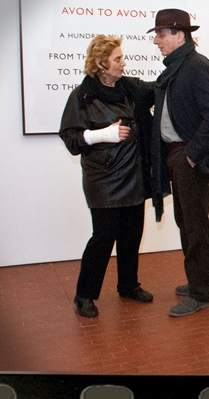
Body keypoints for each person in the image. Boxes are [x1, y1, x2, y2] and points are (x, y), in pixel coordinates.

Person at [59, 34, 156, 318]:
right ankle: (84, 295)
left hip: (133, 175)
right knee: (102, 238)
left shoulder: (130, 89)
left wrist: (179, 65)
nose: (123, 63)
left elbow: (158, 88)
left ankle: (128, 285)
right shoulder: (83, 96)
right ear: (101, 64)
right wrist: (103, 135)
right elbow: (71, 138)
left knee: (132, 235)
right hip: (103, 179)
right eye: (118, 59)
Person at [147, 8, 209, 318]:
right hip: (177, 155)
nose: (156, 41)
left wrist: (192, 155)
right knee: (189, 222)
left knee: (193, 226)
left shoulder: (196, 66)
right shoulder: (177, 67)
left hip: (188, 157)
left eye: (160, 34)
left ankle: (200, 293)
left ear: (179, 35)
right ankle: (207, 282)